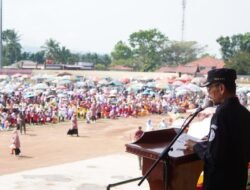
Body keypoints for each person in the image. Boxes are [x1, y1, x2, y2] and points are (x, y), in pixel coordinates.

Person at [185, 68, 250, 190]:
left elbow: (214, 157)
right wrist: (211, 141)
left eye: (209, 88)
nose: (208, 93)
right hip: (238, 180)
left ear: (221, 88)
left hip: (219, 183)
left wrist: (195, 146)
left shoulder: (221, 114)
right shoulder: (244, 112)